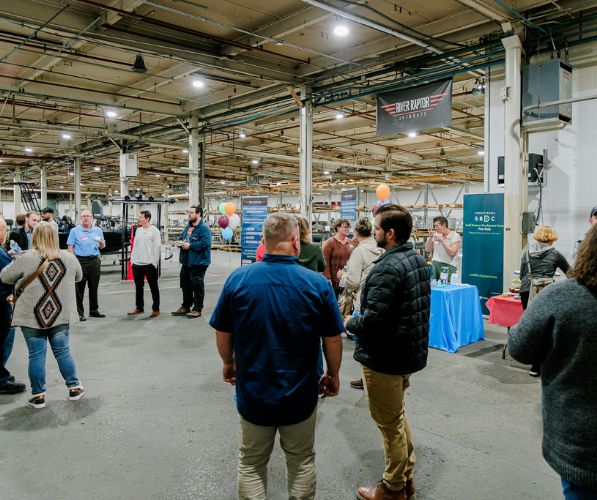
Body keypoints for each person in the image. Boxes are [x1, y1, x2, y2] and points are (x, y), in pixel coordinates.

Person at [210, 213, 343, 500]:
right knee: (301, 460)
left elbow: (222, 330)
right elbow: (332, 338)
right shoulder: (317, 285)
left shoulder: (239, 280)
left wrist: (228, 362)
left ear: (264, 242)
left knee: (251, 462)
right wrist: (333, 374)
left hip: (253, 390)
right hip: (301, 392)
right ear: (295, 241)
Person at [346, 204, 430, 500]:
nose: (374, 232)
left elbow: (374, 321)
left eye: (378, 228)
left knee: (388, 423)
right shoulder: (416, 260)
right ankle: (406, 477)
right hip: (405, 354)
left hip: (384, 358)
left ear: (390, 233)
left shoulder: (387, 269)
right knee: (397, 415)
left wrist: (349, 322)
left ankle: (392, 487)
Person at [509, 225, 597, 500]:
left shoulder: (563, 296)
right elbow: (566, 268)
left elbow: (519, 348)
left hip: (581, 445)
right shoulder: (556, 255)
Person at [0, 222, 85, 409]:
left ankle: (38, 396)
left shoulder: (26, 258)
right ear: (55, 236)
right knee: (63, 351)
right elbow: (78, 277)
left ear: (35, 236)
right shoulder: (69, 258)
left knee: (36, 355)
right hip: (60, 314)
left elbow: (4, 277)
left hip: (32, 316)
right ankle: (74, 388)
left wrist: (15, 261)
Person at [337, 217, 384, 389]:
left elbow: (353, 282)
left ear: (356, 233)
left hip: (362, 298)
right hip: (378, 296)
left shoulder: (359, 251)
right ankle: (371, 377)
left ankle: (367, 378)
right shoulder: (380, 247)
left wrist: (342, 276)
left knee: (363, 340)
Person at [519, 225, 570, 377]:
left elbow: (522, 274)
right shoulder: (555, 255)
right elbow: (571, 273)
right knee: (547, 329)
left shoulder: (527, 253)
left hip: (527, 291)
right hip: (545, 292)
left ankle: (533, 363)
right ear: (552, 239)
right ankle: (541, 364)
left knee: (532, 327)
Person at [0, 218, 26, 395]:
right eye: (3, 229)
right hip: (2, 303)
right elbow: (10, 275)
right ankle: (1, 381)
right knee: (3, 342)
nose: (6, 232)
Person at [172, 205, 211, 318]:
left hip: (198, 262)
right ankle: (186, 306)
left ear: (198, 214)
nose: (189, 214)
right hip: (187, 261)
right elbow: (183, 237)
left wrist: (190, 245)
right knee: (185, 285)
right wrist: (180, 242)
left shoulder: (204, 228)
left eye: (191, 212)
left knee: (197, 286)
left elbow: (205, 243)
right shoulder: (188, 227)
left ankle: (197, 309)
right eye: (188, 212)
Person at [67, 209, 106, 321]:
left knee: (94, 287)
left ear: (92, 218)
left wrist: (102, 244)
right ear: (80, 218)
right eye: (83, 216)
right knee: (79, 288)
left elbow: (102, 246)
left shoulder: (98, 230)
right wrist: (73, 262)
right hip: (80, 261)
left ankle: (94, 311)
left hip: (94, 261)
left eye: (88, 216)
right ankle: (79, 313)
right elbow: (70, 247)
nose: (85, 218)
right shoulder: (75, 231)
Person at [128, 210, 161, 318]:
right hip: (137, 264)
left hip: (149, 264)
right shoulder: (138, 230)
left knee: (154, 287)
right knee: (138, 287)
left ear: (147, 218)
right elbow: (135, 246)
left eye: (141, 217)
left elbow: (157, 247)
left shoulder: (155, 231)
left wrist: (154, 263)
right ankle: (139, 308)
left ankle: (156, 309)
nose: (139, 219)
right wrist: (132, 261)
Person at [424, 215, 461, 281]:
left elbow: (452, 253)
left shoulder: (454, 236)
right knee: (433, 287)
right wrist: (430, 238)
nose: (435, 228)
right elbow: (427, 249)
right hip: (435, 265)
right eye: (434, 226)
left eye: (437, 226)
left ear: (444, 225)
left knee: (446, 286)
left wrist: (442, 241)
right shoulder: (436, 235)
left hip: (448, 266)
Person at [323, 218, 353, 295]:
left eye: (348, 227)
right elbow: (325, 261)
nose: (347, 229)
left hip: (346, 280)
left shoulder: (350, 242)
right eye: (345, 227)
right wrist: (327, 278)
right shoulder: (330, 242)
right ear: (338, 228)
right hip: (333, 281)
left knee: (346, 304)